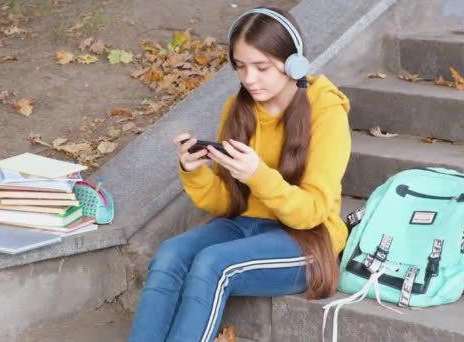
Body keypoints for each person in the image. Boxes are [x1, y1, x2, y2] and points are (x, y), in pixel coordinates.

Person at [128, 6, 351, 342]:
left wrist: (258, 174)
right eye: (241, 67)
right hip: (244, 226)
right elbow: (228, 202)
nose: (249, 79)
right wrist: (195, 172)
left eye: (261, 67)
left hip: (308, 238)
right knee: (171, 253)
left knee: (213, 264)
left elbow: (313, 211)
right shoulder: (238, 108)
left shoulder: (326, 110)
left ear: (294, 63)